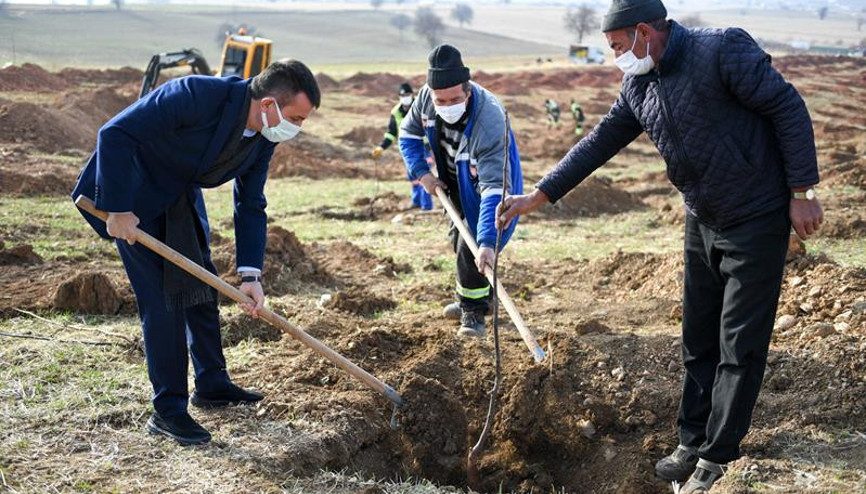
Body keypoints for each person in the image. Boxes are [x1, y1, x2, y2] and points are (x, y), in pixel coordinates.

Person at [497, 0, 823, 491]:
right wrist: (539, 195)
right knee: (697, 335)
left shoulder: (720, 50)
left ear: (645, 31)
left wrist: (801, 193)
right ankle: (691, 440)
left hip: (756, 215)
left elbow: (788, 107)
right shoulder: (639, 83)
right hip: (702, 217)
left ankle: (718, 456)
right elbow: (600, 140)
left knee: (739, 343)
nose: (616, 58)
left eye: (617, 47)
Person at [71, 61, 321, 446]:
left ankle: (211, 383)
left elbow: (251, 202)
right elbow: (115, 133)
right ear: (269, 104)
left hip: (179, 195)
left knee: (202, 286)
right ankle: (168, 411)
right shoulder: (196, 95)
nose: (298, 128)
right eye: (297, 118)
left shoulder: (265, 136)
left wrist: (251, 275)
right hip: (131, 196)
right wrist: (119, 208)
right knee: (164, 302)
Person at [399, 44, 523, 338]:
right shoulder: (425, 101)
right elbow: (408, 135)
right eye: (440, 100)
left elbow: (495, 190)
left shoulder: (490, 120)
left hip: (490, 185)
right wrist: (422, 174)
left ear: (468, 91)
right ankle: (479, 299)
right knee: (459, 238)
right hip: (452, 180)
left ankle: (472, 312)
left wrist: (488, 242)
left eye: (455, 99)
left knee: (475, 245)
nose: (446, 105)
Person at [371, 82, 433, 210]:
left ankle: (426, 206)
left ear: (412, 95)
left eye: (408, 94)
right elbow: (391, 133)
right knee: (414, 177)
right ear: (399, 96)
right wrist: (381, 147)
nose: (406, 97)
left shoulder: (421, 107)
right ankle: (417, 203)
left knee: (424, 176)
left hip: (424, 147)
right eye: (403, 95)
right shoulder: (396, 112)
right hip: (409, 149)